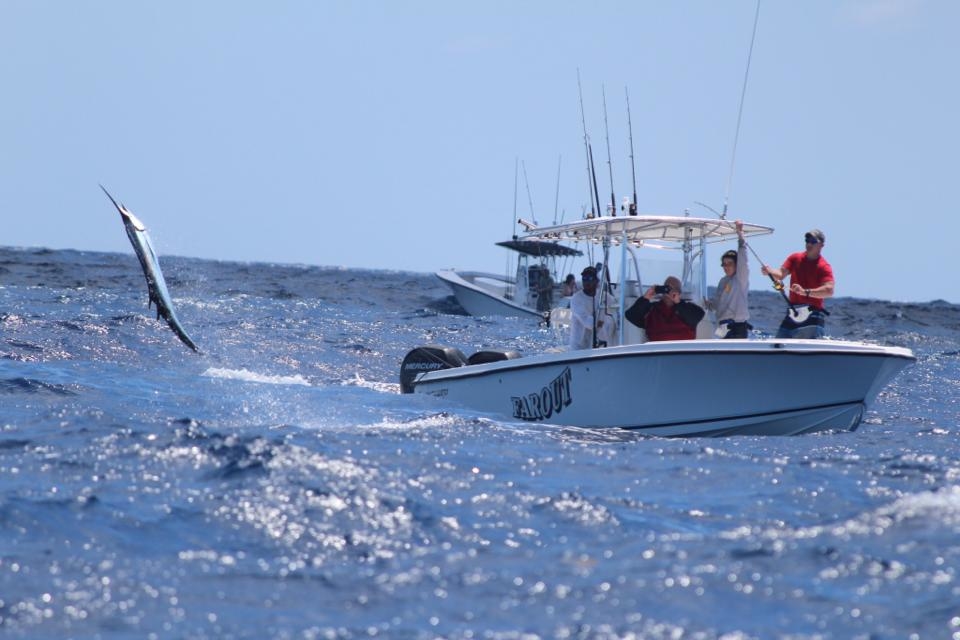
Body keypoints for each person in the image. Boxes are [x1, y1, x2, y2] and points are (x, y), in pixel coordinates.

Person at [761, 228, 835, 339]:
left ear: (821, 245)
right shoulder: (795, 258)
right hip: (793, 312)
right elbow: (781, 274)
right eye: (807, 240)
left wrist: (805, 292)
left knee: (807, 351)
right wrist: (769, 271)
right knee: (777, 345)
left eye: (813, 241)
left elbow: (829, 290)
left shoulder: (824, 266)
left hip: (812, 315)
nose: (809, 243)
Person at [706, 219, 751, 338]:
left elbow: (743, 258)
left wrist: (740, 234)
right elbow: (716, 305)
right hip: (722, 327)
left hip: (737, 327)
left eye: (729, 264)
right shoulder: (723, 281)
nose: (726, 267)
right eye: (724, 264)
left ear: (736, 265)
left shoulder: (741, 277)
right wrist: (706, 304)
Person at [625, 276, 705, 341]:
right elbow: (631, 316)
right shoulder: (651, 310)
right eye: (667, 288)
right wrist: (645, 298)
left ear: (679, 293)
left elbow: (698, 315)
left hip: (683, 354)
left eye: (674, 289)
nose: (669, 291)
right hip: (658, 355)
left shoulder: (688, 308)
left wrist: (679, 303)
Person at [568, 266, 617, 350]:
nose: (587, 281)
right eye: (584, 278)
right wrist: (601, 321)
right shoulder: (576, 299)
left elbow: (617, 305)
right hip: (579, 348)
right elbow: (589, 323)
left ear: (597, 281)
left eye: (590, 278)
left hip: (597, 347)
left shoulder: (604, 296)